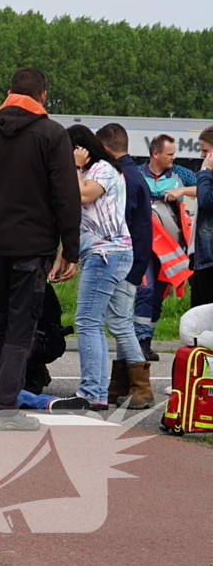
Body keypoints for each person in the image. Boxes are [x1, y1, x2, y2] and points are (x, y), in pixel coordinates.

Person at [0, 68, 81, 431]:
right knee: (20, 328)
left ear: (9, 92)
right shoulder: (52, 134)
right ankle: (6, 409)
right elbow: (65, 196)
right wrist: (69, 250)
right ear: (43, 96)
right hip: (33, 247)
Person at [67, 125, 136, 411]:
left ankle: (92, 391)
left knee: (88, 321)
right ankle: (97, 389)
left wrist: (74, 166)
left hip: (107, 253)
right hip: (104, 253)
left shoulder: (103, 169)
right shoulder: (92, 170)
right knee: (104, 322)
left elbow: (82, 196)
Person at [95, 123, 155, 408]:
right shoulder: (135, 175)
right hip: (135, 258)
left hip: (123, 260)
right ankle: (120, 384)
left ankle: (142, 388)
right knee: (121, 321)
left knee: (118, 322)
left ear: (105, 148)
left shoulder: (123, 179)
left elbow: (118, 223)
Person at [134, 134, 196, 360]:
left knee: (158, 296)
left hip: (169, 251)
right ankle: (139, 342)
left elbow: (206, 190)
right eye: (170, 154)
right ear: (156, 153)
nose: (174, 157)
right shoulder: (136, 174)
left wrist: (182, 191)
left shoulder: (182, 174)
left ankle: (146, 342)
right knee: (145, 290)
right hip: (142, 248)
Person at [192, 128, 213, 306]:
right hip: (204, 255)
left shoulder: (208, 174)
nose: (201, 154)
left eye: (205, 150)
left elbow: (206, 200)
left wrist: (205, 171)